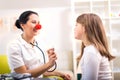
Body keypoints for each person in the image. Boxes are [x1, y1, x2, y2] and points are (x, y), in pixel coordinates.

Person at [7, 10, 71, 80]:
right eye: (34, 22)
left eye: (39, 23)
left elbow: (40, 72)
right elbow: (23, 75)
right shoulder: (14, 46)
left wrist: (61, 74)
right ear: (23, 25)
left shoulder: (39, 43)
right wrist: (48, 64)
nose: (38, 26)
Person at [74, 13, 115, 80]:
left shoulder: (91, 52)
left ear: (85, 28)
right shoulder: (89, 49)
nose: (74, 28)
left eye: (76, 25)